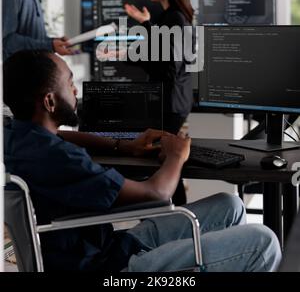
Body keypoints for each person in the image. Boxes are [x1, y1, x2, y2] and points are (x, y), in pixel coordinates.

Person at [3, 50, 281, 272]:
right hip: (110, 268)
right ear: (50, 102)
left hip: (110, 246)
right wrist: (177, 155)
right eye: (69, 83)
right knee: (262, 242)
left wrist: (124, 145)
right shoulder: (58, 157)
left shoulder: (17, 135)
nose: (75, 90)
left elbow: (63, 137)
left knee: (229, 205)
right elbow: (157, 194)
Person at [124, 0, 194, 135]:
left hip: (170, 106)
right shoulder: (172, 16)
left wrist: (129, 55)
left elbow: (167, 68)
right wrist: (146, 23)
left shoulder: (174, 19)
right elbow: (163, 49)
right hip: (173, 103)